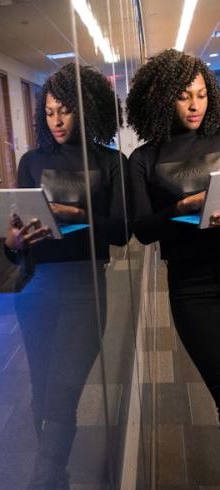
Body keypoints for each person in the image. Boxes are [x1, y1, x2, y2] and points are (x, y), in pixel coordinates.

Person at [4, 63, 128, 490]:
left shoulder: (109, 162)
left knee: (62, 395)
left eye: (66, 111)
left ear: (87, 109)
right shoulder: (31, 162)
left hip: (84, 289)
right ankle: (56, 487)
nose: (56, 120)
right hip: (37, 288)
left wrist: (68, 212)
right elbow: (16, 240)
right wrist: (12, 243)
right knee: (42, 395)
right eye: (50, 111)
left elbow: (119, 232)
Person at [126, 49, 220, 425]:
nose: (194, 105)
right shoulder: (144, 159)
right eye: (183, 97)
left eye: (201, 94)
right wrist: (185, 207)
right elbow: (143, 230)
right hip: (191, 285)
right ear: (164, 99)